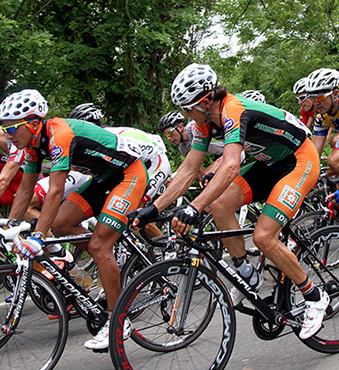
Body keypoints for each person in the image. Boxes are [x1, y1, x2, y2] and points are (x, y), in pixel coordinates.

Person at [133, 63, 329, 340]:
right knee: (220, 204)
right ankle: (245, 270)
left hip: (298, 160)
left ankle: (314, 296)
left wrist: (193, 206)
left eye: (187, 109)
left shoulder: (232, 110)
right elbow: (189, 169)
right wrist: (154, 207)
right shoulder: (202, 122)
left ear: (203, 102)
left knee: (263, 236)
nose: (185, 116)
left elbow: (230, 166)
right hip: (268, 163)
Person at [0, 89, 148, 350]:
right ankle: (108, 260)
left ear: (33, 123)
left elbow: (54, 191)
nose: (8, 137)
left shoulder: (59, 134)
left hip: (130, 174)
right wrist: (9, 228)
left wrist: (37, 237)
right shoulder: (33, 145)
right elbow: (25, 191)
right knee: (62, 224)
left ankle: (118, 320)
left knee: (100, 246)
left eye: (11, 130)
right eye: (4, 130)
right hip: (103, 178)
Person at [306, 68, 339, 173]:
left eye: (320, 98)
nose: (316, 103)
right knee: (330, 172)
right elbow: (315, 152)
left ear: (335, 94)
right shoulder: (322, 117)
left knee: (334, 161)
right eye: (312, 99)